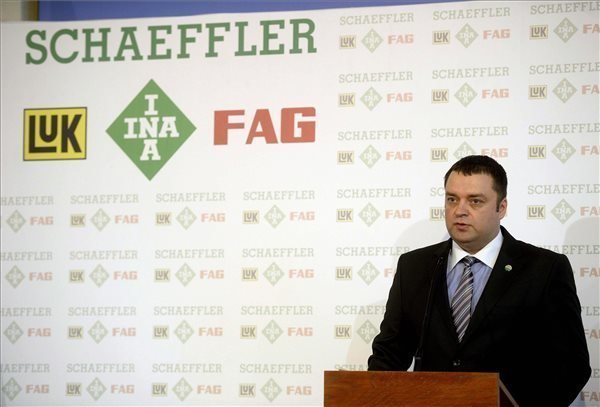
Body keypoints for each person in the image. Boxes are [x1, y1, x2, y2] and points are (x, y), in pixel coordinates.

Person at [368, 155, 591, 407]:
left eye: (475, 201)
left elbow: (571, 365)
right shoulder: (414, 267)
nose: (460, 210)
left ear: (501, 208)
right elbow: (388, 355)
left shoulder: (544, 269)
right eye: (452, 199)